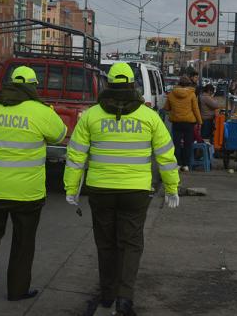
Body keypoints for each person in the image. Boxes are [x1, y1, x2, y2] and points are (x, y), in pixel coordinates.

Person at [64, 63, 180, 316]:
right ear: (132, 85)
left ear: (107, 85)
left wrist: (71, 188)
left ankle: (107, 296)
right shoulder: (149, 117)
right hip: (136, 192)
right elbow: (166, 156)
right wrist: (171, 187)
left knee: (105, 243)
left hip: (100, 190)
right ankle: (125, 299)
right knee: (130, 244)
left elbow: (75, 156)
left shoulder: (92, 116)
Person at [0, 66, 67, 301]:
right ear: (33, 86)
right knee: (24, 242)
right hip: (28, 194)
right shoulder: (40, 111)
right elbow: (60, 134)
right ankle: (17, 289)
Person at [164, 76, 202, 171]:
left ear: (179, 83)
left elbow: (166, 108)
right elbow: (195, 109)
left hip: (176, 122)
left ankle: (178, 164)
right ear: (188, 84)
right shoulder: (192, 94)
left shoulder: (171, 94)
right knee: (187, 144)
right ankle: (185, 165)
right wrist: (200, 121)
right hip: (189, 123)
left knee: (176, 144)